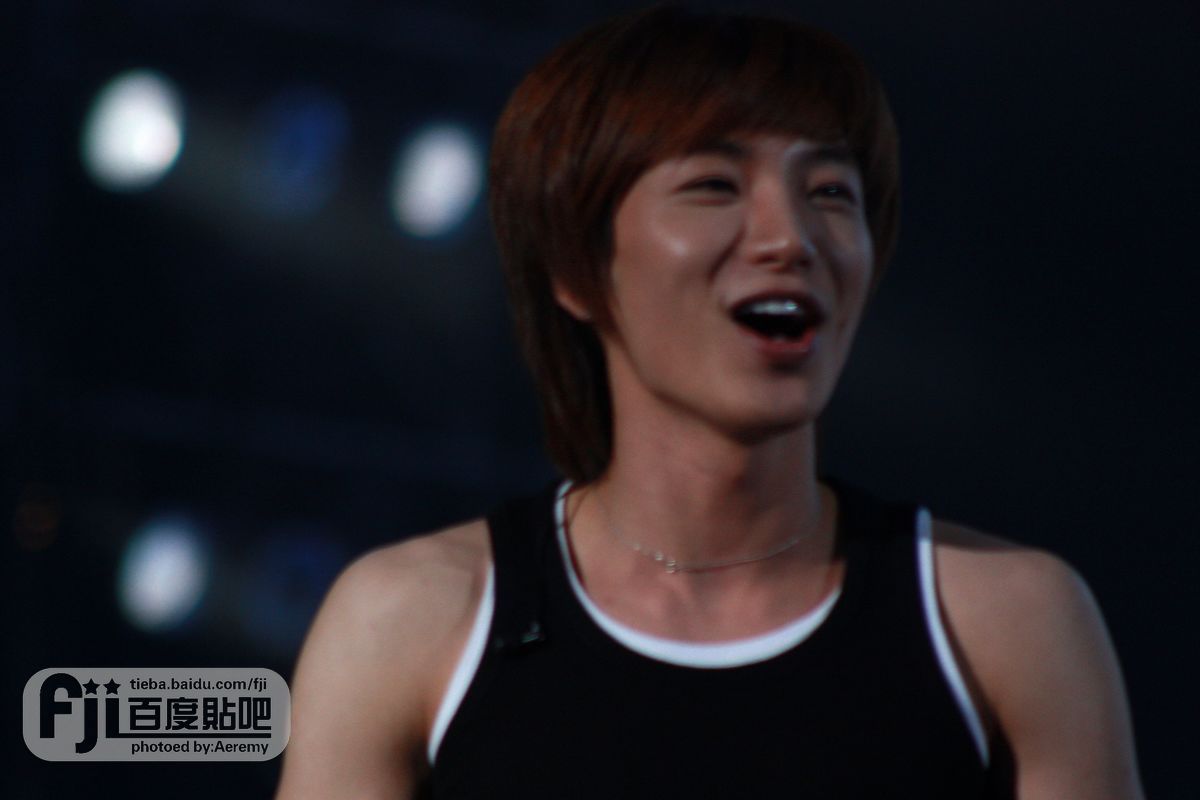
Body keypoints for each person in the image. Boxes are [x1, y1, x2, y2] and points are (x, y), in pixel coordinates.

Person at [275, 6, 1144, 798]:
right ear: (576, 267)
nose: (789, 238)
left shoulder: (1010, 621)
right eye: (715, 186)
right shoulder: (410, 620)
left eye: (830, 192)